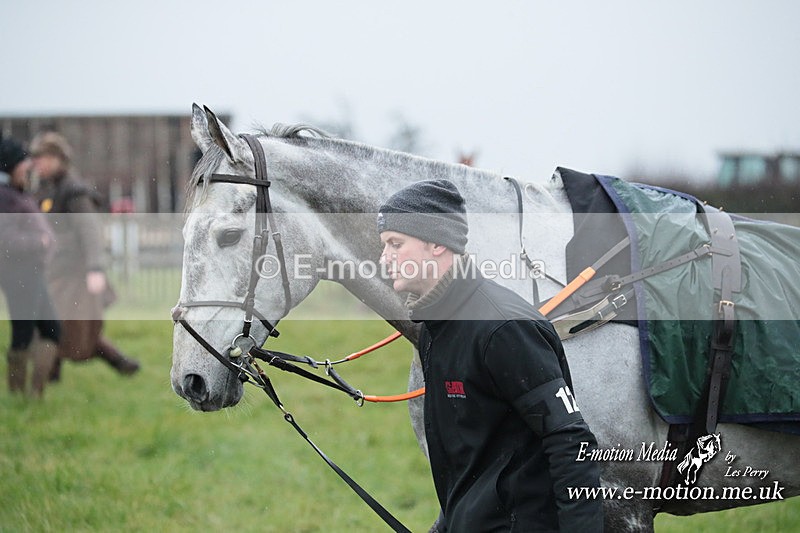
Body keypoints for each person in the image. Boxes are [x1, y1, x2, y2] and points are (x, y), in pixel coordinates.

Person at [377, 179, 603, 532]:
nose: (384, 258)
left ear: (436, 244)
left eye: (395, 244)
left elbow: (571, 443)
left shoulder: (502, 328)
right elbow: (472, 458)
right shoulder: (434, 328)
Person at [29, 131, 140, 375]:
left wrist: (95, 269)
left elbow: (90, 231)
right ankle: (119, 363)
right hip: (57, 272)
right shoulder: (48, 190)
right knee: (60, 325)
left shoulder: (73, 191)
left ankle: (49, 378)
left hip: (74, 273)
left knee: (63, 326)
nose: (36, 163)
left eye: (41, 157)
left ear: (57, 158)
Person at [0, 135, 60, 396]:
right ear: (11, 167)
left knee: (50, 330)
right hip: (18, 273)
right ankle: (20, 394)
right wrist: (41, 241)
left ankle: (33, 394)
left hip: (30, 272)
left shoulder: (15, 193)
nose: (29, 171)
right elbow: (6, 240)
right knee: (24, 334)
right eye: (24, 166)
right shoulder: (4, 197)